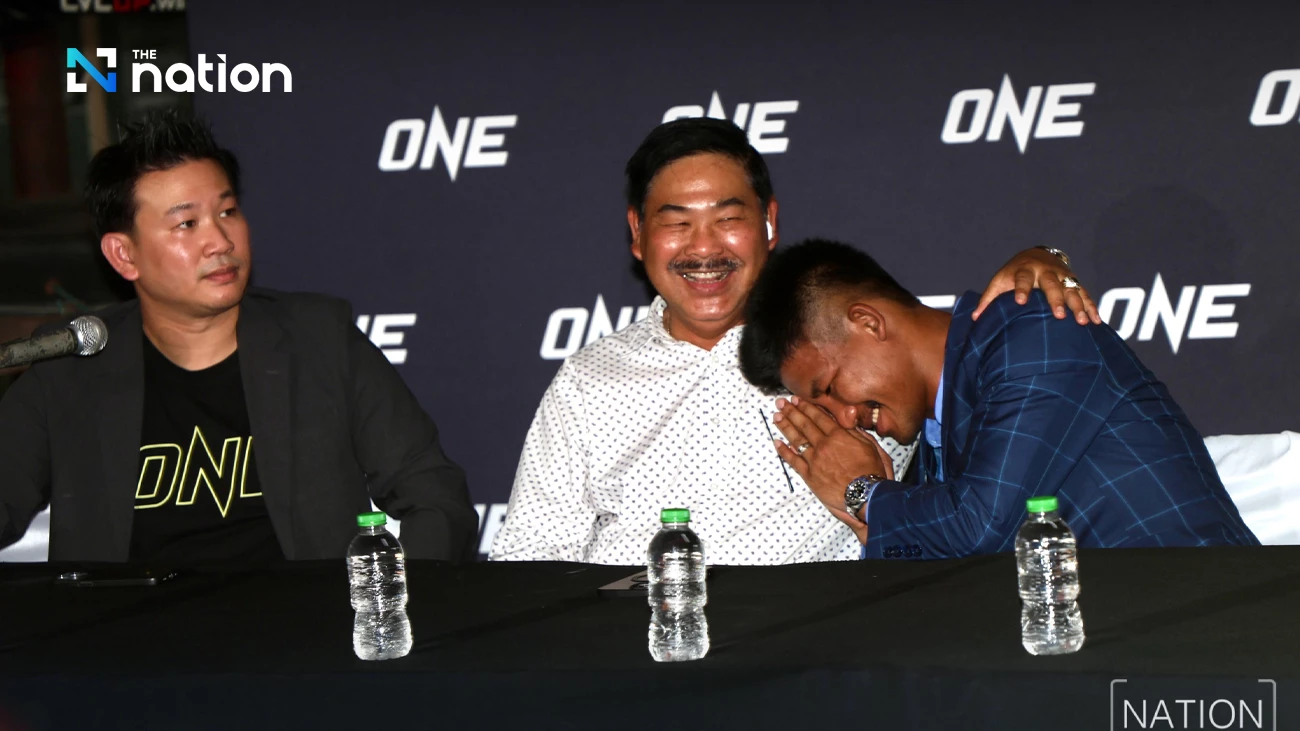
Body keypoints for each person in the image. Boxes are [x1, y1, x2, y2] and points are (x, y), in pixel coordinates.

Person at [489, 118, 1099, 564]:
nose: (703, 248)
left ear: (769, 222)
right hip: (637, 654)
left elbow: (951, 360)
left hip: (811, 657)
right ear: (637, 234)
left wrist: (1043, 257)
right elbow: (530, 558)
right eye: (676, 223)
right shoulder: (588, 381)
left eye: (728, 219)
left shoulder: (839, 345)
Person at [0, 111, 478, 563]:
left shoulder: (320, 341)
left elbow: (437, 498)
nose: (221, 242)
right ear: (124, 255)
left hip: (306, 619)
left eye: (227, 212)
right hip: (124, 622)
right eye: (187, 224)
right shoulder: (68, 369)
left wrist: (383, 600)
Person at [740, 238, 1259, 558]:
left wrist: (863, 492)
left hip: (1204, 624)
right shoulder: (930, 459)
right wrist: (867, 519)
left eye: (831, 389)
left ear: (868, 322)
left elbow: (981, 525)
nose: (847, 418)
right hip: (1100, 654)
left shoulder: (1031, 328)